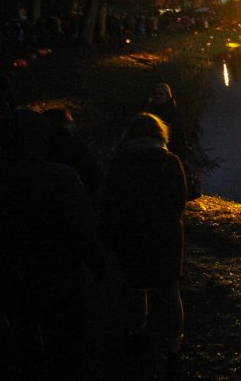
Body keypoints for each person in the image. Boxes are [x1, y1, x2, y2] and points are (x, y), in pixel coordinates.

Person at [0, 108, 105, 379]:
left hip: (9, 276)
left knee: (21, 335)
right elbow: (82, 227)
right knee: (64, 341)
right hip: (59, 274)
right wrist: (98, 266)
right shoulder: (60, 177)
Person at [102, 113, 187, 372]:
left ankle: (136, 333)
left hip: (130, 232)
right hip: (165, 233)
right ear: (159, 134)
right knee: (169, 289)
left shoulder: (118, 163)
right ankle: (174, 346)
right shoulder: (170, 161)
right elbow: (180, 200)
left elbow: (111, 201)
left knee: (135, 286)